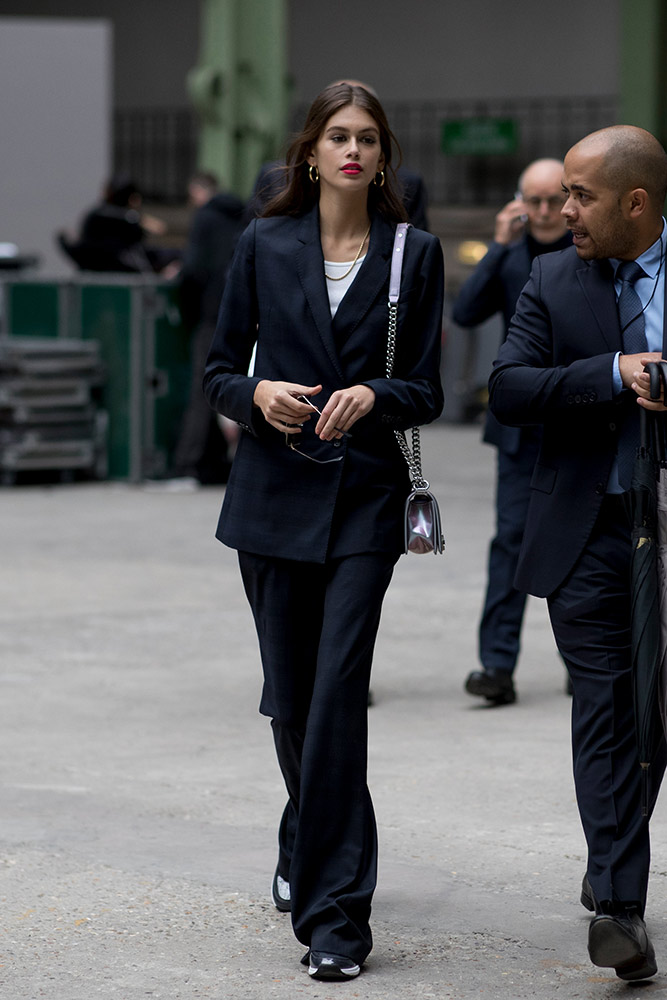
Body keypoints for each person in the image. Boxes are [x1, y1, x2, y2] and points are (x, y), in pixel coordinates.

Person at [203, 82, 444, 981]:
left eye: (369, 139)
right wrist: (256, 395)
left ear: (384, 157)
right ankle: (305, 829)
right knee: (292, 699)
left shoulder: (412, 255)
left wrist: (375, 394)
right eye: (338, 137)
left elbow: (426, 388)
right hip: (269, 497)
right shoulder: (263, 242)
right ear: (310, 152)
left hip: (363, 504)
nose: (353, 151)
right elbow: (219, 370)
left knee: (338, 694)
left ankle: (336, 915)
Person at [488, 125, 667, 982]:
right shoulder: (552, 277)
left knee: (653, 712)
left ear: (635, 202)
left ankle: (607, 872)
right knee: (604, 706)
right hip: (590, 528)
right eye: (562, 193)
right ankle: (621, 909)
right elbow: (510, 387)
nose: (564, 211)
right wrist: (612, 371)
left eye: (581, 196)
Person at [453, 160, 572, 705]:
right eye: (535, 201)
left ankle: (586, 662)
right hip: (520, 430)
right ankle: (497, 666)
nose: (545, 212)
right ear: (520, 202)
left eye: (555, 200)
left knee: (587, 547)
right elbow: (466, 312)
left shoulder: (588, 249)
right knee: (510, 545)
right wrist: (500, 245)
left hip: (578, 422)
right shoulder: (510, 254)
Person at [169, 171, 245, 484]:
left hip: (209, 313)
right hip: (237, 312)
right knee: (229, 387)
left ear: (198, 192)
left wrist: (188, 309)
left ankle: (188, 464)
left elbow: (194, 270)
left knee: (203, 389)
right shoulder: (239, 215)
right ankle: (216, 462)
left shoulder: (205, 218)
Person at [58, 175, 177, 274]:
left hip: (94, 282)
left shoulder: (96, 215)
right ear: (131, 198)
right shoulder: (126, 220)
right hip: (120, 283)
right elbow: (157, 229)